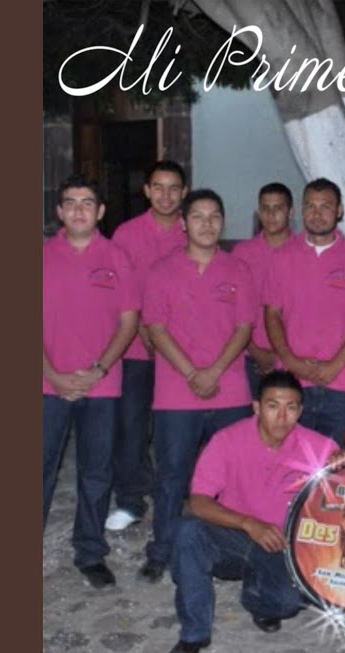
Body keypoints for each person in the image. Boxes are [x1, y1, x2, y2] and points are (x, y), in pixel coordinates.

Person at [167, 370, 339, 653]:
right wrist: (248, 524)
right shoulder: (227, 440)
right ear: (257, 407)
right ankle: (194, 632)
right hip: (235, 536)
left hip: (281, 545)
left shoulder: (320, 448)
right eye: (273, 406)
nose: (282, 417)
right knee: (188, 531)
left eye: (291, 407)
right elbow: (198, 502)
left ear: (300, 411)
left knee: (286, 604)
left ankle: (257, 597)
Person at [139, 189, 257, 584]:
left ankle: (233, 551)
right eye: (198, 216)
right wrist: (193, 373)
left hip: (230, 390)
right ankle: (162, 550)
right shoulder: (161, 271)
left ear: (223, 222)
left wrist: (214, 372)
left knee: (235, 476)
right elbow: (156, 328)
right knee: (172, 476)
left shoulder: (238, 270)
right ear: (184, 223)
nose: (207, 224)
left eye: (214, 216)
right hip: (176, 392)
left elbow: (244, 327)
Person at [42, 176, 140, 588]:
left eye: (87, 202)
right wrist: (53, 374)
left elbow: (129, 321)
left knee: (96, 471)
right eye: (70, 202)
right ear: (59, 211)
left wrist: (98, 369)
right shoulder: (43, 256)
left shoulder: (117, 257)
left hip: (102, 384)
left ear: (100, 211)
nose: (79, 210)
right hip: (47, 384)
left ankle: (90, 551)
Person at [105, 160, 188, 532]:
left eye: (173, 188)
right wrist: (143, 331)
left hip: (183, 353)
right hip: (136, 349)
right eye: (159, 187)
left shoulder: (193, 231)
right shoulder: (126, 235)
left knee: (178, 430)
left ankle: (180, 497)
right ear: (147, 190)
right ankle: (130, 499)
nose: (166, 196)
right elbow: (120, 293)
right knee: (131, 427)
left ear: (184, 192)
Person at [262, 178, 345, 444]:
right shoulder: (281, 257)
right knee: (287, 461)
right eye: (310, 206)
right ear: (301, 211)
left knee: (337, 464)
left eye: (325, 206)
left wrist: (335, 365)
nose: (317, 214)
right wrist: (290, 361)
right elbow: (272, 313)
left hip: (342, 383)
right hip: (290, 383)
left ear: (339, 210)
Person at [232, 183, 295, 399]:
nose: (271, 214)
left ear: (290, 212)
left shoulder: (303, 251)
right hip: (249, 355)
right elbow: (232, 308)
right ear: (258, 212)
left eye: (278, 208)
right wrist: (254, 350)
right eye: (265, 208)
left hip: (295, 358)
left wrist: (283, 355)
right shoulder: (242, 253)